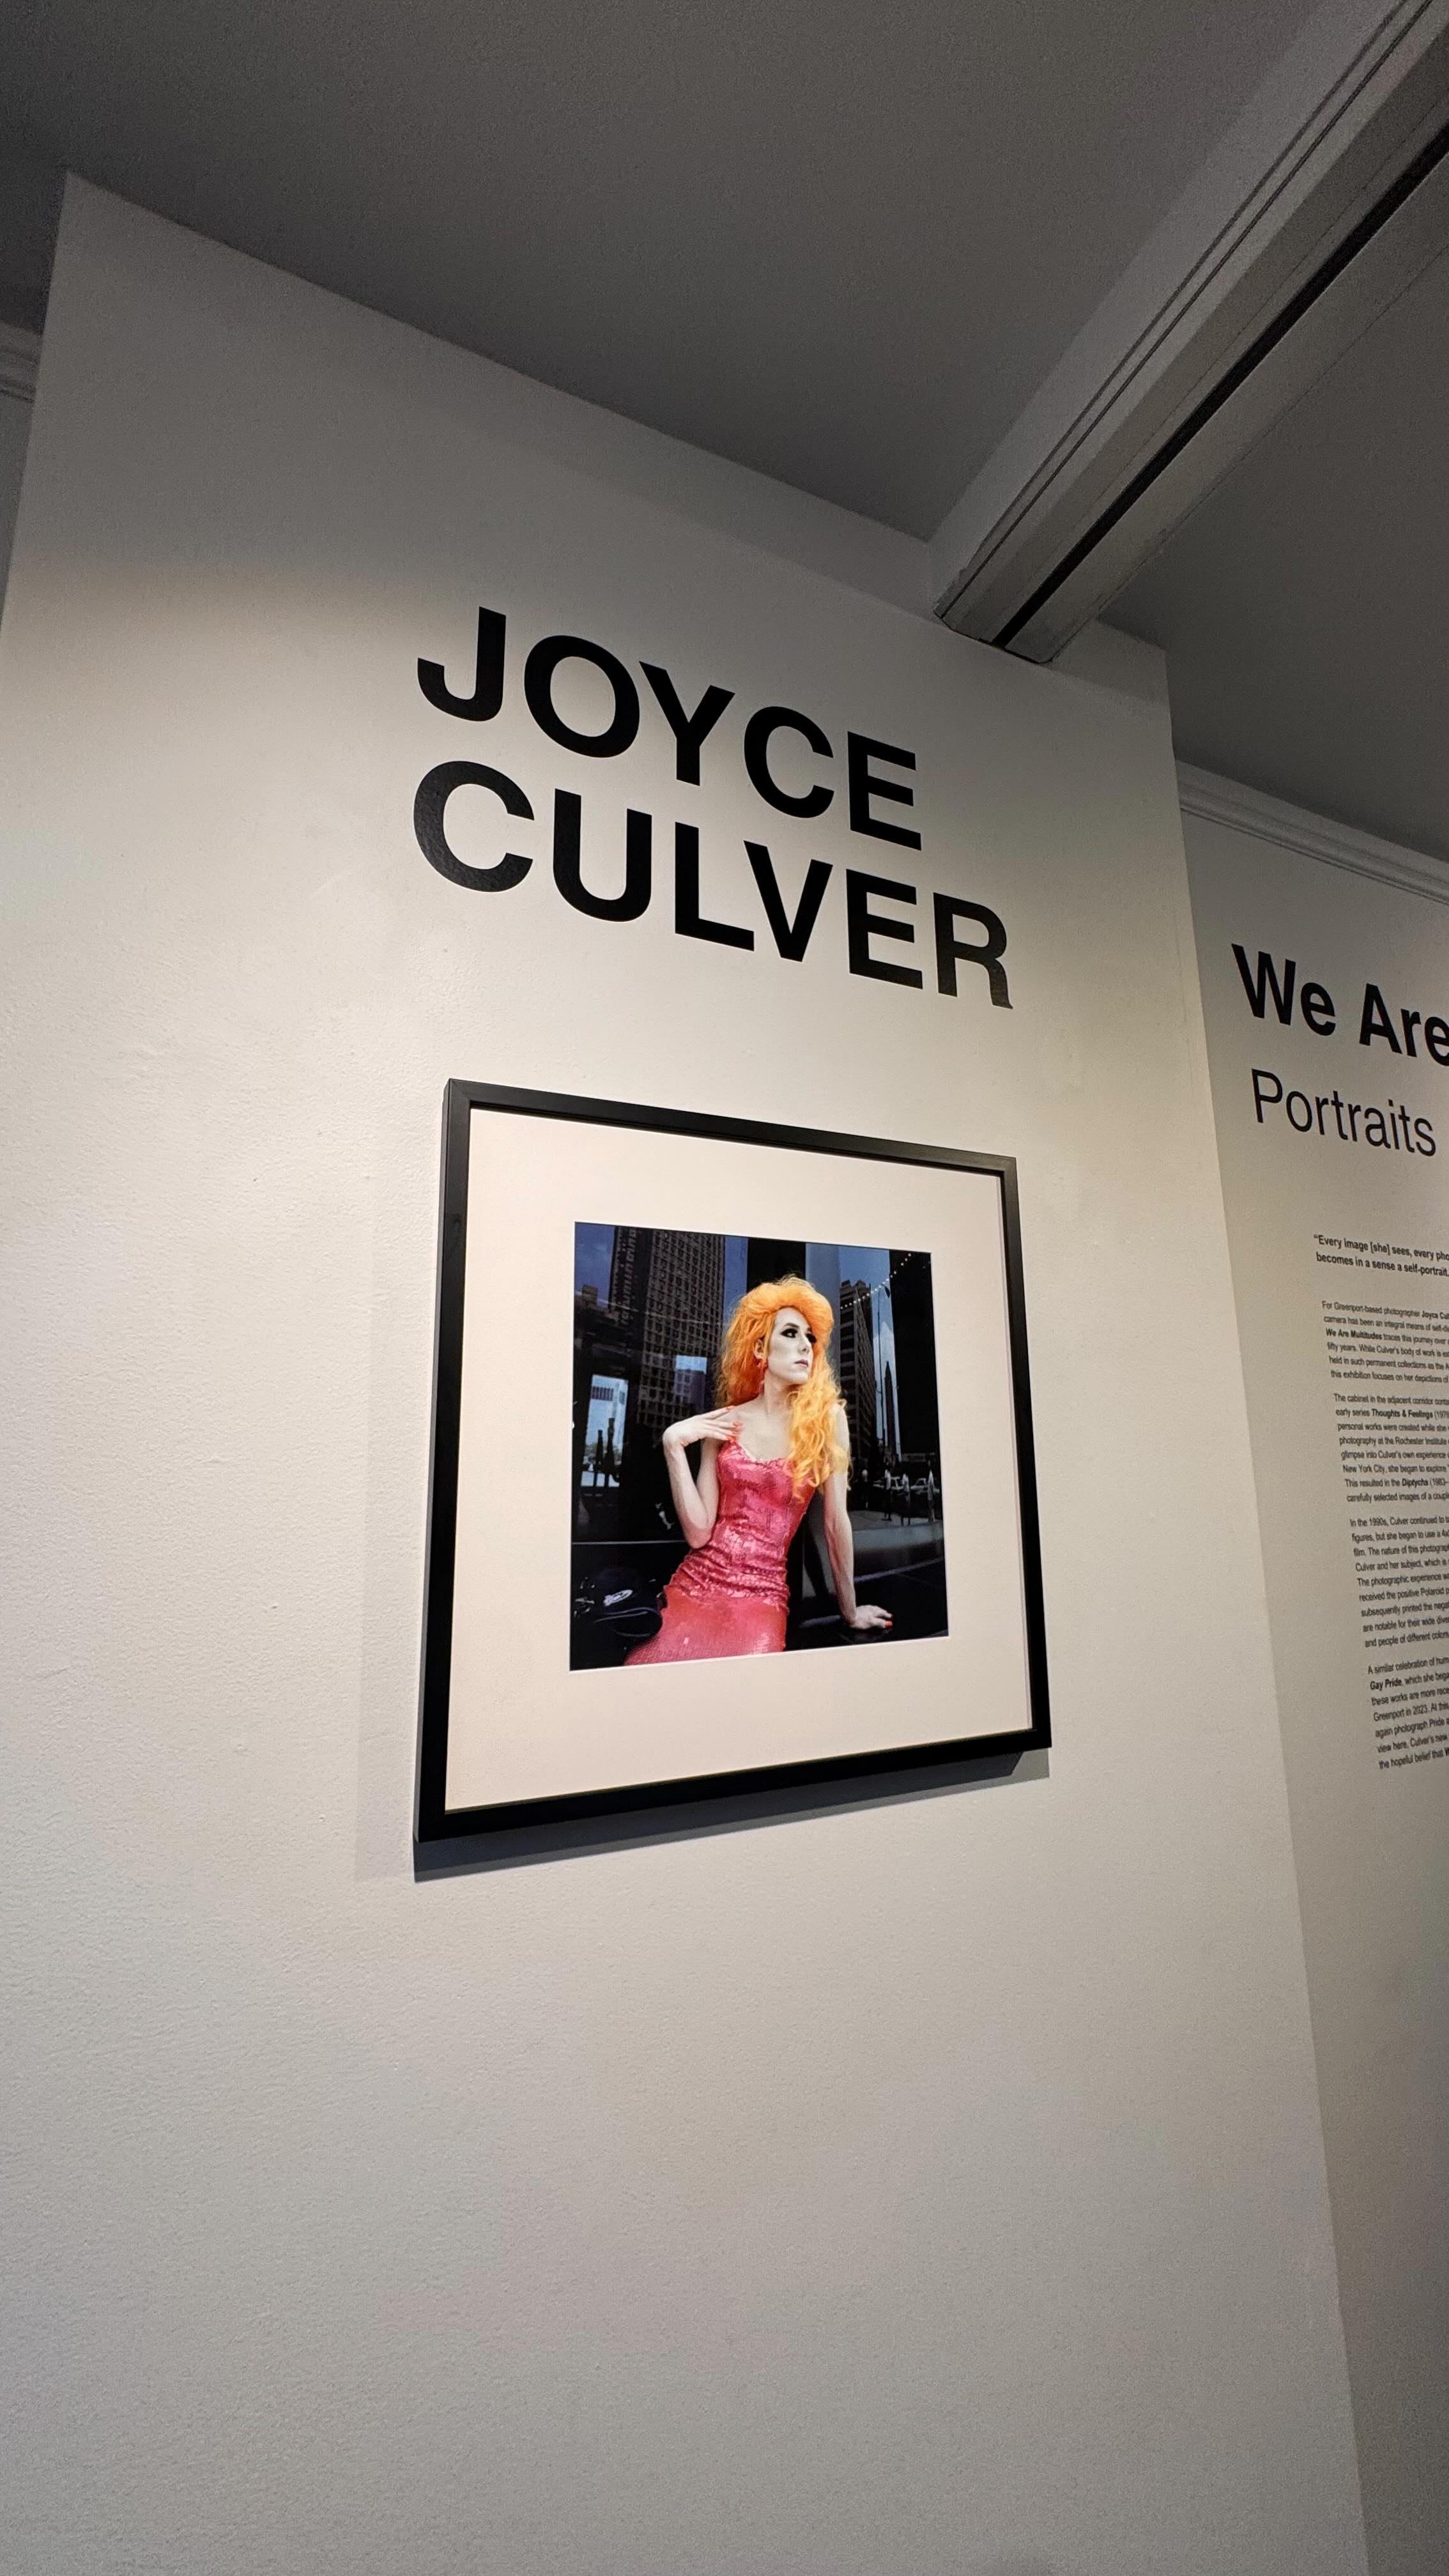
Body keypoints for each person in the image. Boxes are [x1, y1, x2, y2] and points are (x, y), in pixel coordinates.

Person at [625, 1275, 893, 1664]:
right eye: (790, 1333)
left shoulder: (827, 1419)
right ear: (759, 1348)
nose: (805, 1345)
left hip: (761, 1595)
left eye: (810, 1337)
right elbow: (699, 1533)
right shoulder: (726, 1422)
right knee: (645, 1669)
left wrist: (849, 1611)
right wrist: (673, 1446)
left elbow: (836, 1523)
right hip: (697, 1582)